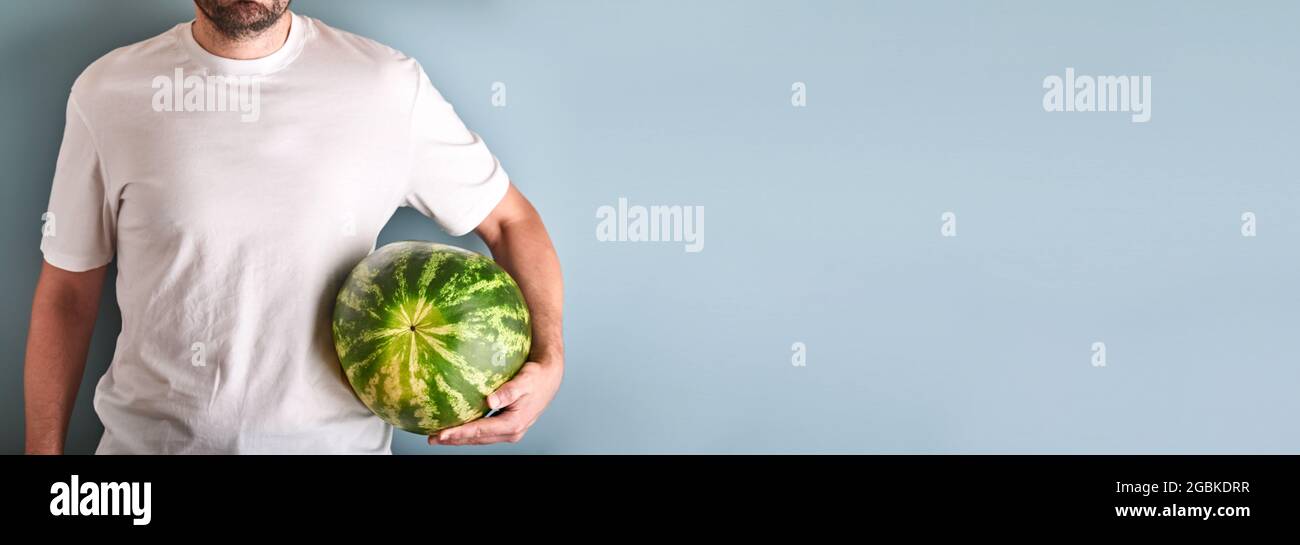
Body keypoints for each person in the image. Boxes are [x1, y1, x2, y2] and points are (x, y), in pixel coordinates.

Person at [24, 0, 564, 454]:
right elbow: (68, 292)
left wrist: (549, 360)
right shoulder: (107, 91)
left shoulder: (385, 85)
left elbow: (511, 220)